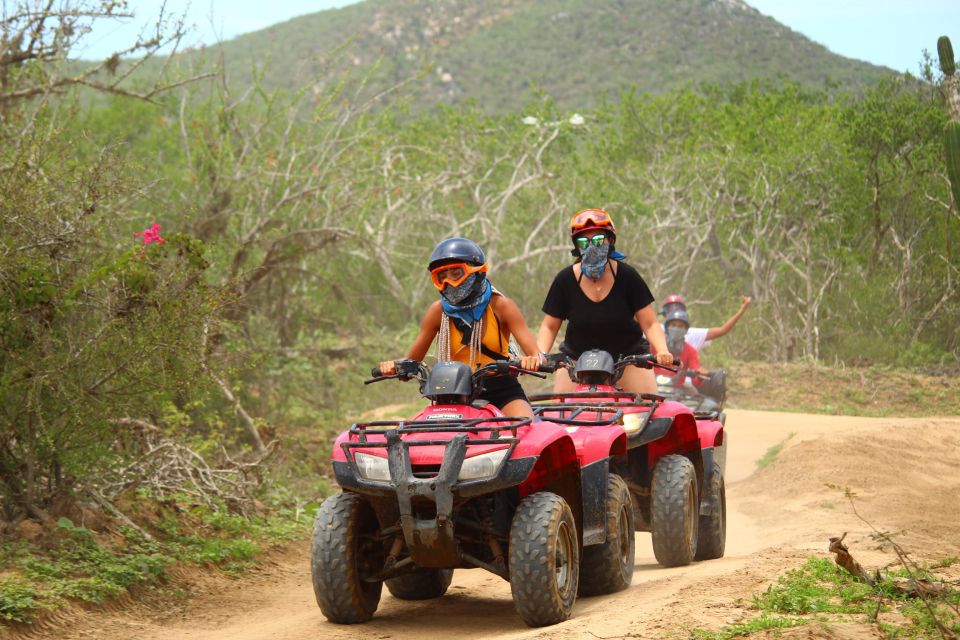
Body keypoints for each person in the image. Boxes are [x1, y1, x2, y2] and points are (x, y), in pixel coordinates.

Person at [378, 238, 542, 419]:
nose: (449, 282)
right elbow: (412, 361)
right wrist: (394, 366)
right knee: (411, 436)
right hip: (451, 394)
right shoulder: (437, 311)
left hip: (502, 391)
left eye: (456, 273)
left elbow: (535, 354)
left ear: (478, 272)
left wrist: (532, 361)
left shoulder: (501, 306)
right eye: (442, 276)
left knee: (524, 428)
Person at [535, 208, 672, 394]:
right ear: (576, 246)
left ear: (611, 240)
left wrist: (662, 350)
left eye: (598, 240)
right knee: (561, 416)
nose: (592, 247)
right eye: (584, 241)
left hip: (628, 359)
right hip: (577, 361)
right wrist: (540, 355)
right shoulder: (565, 280)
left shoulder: (628, 276)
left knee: (649, 411)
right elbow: (549, 326)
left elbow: (649, 322)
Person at [659, 294, 752, 351]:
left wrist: (742, 309)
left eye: (680, 326)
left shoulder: (692, 334)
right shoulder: (654, 331)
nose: (675, 313)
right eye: (670, 310)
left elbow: (722, 330)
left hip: (683, 380)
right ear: (664, 315)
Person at [658, 309, 705, 387]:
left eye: (680, 326)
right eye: (673, 325)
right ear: (667, 327)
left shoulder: (691, 351)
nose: (676, 328)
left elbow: (696, 380)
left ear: (686, 330)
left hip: (678, 391)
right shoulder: (655, 345)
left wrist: (700, 376)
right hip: (652, 387)